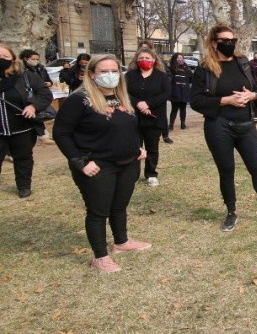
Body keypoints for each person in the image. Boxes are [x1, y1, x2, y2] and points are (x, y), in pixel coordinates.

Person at [190, 24, 257, 232]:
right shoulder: (205, 69)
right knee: (226, 170)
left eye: (233, 41)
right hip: (219, 127)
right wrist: (226, 100)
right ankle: (231, 212)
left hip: (246, 125)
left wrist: (252, 96)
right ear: (214, 43)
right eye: (225, 41)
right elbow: (196, 100)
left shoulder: (243, 63)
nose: (229, 44)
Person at [52, 54, 150, 273]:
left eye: (114, 71)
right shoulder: (79, 100)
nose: (110, 75)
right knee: (98, 211)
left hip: (128, 163)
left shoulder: (123, 97)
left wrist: (138, 147)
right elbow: (61, 133)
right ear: (92, 74)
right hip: (96, 165)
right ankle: (100, 256)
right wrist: (80, 162)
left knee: (119, 206)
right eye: (104, 71)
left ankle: (121, 242)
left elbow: (131, 126)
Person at [0, 44, 53, 198]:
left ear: (13, 59)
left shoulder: (25, 76)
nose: (1, 59)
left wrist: (33, 106)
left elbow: (45, 94)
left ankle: (23, 186)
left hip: (22, 128)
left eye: (5, 57)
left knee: (23, 158)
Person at [126, 48, 171, 187]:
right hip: (134, 117)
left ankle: (151, 173)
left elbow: (166, 93)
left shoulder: (161, 76)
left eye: (147, 58)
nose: (144, 61)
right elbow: (124, 92)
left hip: (154, 117)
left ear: (154, 60)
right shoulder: (130, 75)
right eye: (140, 58)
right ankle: (133, 174)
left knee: (152, 148)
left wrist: (148, 104)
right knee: (134, 147)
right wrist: (138, 103)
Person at [20, 49, 55, 145]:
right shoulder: (22, 71)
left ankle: (43, 135)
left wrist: (49, 83)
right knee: (31, 118)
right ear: (25, 59)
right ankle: (42, 136)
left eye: (37, 59)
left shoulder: (41, 69)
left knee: (37, 117)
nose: (36, 61)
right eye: (33, 59)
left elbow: (48, 80)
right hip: (27, 98)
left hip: (40, 96)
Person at [168, 53, 192, 130]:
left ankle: (183, 124)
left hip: (184, 91)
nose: (180, 59)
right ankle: (171, 125)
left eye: (181, 58)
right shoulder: (171, 68)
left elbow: (191, 78)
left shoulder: (187, 68)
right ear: (175, 59)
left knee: (183, 108)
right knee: (174, 109)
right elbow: (169, 79)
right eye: (178, 58)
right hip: (175, 91)